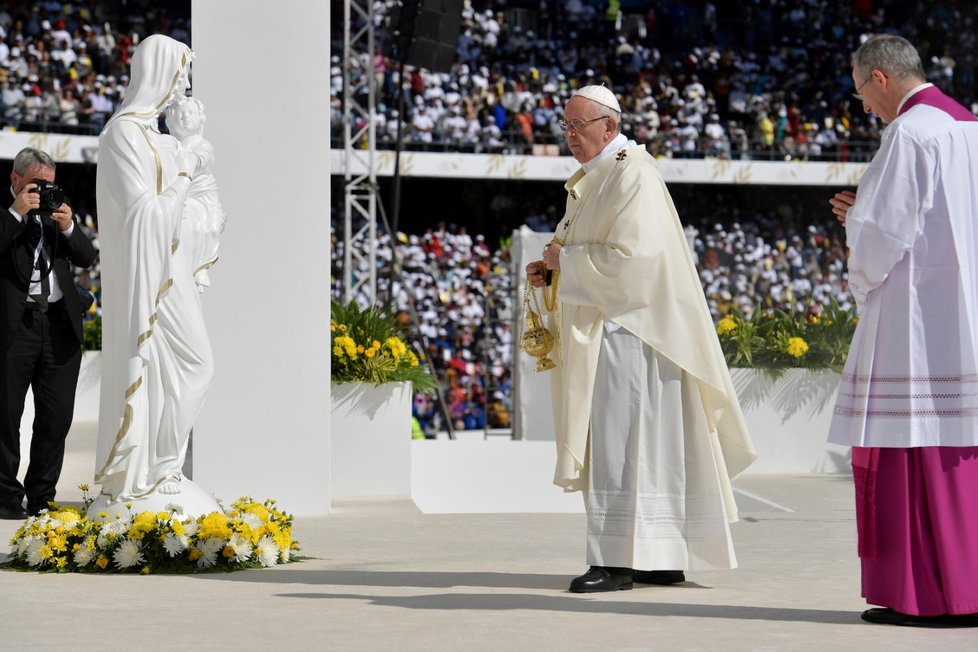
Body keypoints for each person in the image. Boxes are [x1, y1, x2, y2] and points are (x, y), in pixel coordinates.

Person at [525, 85, 756, 593]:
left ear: (608, 127)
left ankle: (615, 561)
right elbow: (590, 247)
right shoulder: (600, 177)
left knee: (621, 447)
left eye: (577, 127)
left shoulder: (634, 175)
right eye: (564, 128)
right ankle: (658, 554)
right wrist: (553, 266)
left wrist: (568, 261)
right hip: (622, 333)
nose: (569, 137)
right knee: (641, 447)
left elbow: (637, 264)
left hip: (632, 335)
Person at [828, 35, 978, 626]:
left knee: (913, 450)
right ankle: (963, 588)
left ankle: (927, 597)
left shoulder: (911, 134)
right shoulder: (968, 128)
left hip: (917, 321)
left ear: (882, 78)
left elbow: (885, 237)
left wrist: (853, 222)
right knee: (956, 452)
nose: (863, 103)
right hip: (961, 314)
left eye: (862, 89)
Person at [94, 34, 214, 509]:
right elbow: (142, 216)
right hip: (151, 276)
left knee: (197, 366)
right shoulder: (122, 133)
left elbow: (186, 207)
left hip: (171, 266)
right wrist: (184, 171)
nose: (183, 85)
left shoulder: (155, 136)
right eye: (180, 73)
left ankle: (165, 464)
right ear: (158, 73)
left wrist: (191, 167)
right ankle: (151, 468)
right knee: (195, 363)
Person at [0, 147, 97, 519]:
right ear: (16, 180)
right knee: (6, 416)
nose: (43, 192)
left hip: (58, 325)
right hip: (14, 326)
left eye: (49, 185)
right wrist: (15, 214)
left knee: (55, 419)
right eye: (36, 184)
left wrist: (69, 225)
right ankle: (6, 497)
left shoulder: (56, 213)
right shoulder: (7, 211)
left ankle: (42, 497)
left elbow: (87, 256)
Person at [164, 95, 227, 293]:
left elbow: (201, 160)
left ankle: (200, 266)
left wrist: (182, 159)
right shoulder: (169, 143)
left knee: (208, 225)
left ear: (200, 119)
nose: (185, 117)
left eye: (190, 113)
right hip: (179, 193)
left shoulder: (202, 144)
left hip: (202, 195)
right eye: (180, 114)